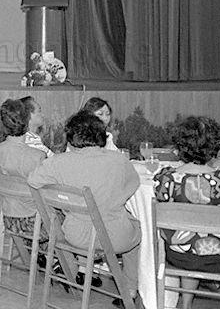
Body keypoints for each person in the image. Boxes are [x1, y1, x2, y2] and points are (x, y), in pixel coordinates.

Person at [28, 110, 141, 305]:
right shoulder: (119, 160)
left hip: (76, 236)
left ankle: (80, 271)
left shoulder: (57, 162)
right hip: (116, 238)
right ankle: (130, 290)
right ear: (102, 137)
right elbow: (133, 186)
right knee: (137, 230)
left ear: (71, 139)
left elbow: (33, 181)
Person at [153, 116, 220, 307]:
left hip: (177, 254)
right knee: (199, 233)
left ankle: (183, 303)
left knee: (188, 235)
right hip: (219, 255)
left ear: (179, 146)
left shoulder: (167, 178)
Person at [0, 99, 47, 237]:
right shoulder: (37, 156)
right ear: (28, 121)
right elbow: (46, 195)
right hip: (34, 223)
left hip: (9, 219)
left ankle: (38, 255)